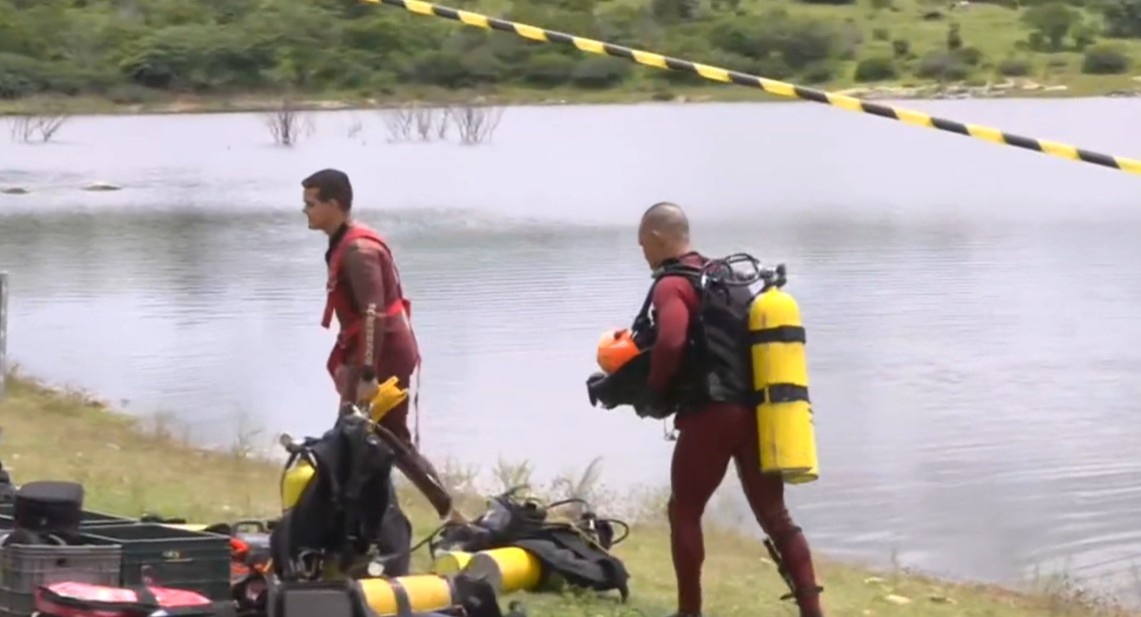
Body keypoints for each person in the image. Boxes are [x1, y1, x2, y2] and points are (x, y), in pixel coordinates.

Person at [636, 202, 825, 617]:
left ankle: (689, 612)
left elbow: (669, 342)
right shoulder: (725, 276)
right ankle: (814, 613)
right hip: (759, 412)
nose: (644, 256)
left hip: (711, 415)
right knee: (775, 516)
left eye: (643, 247)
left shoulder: (673, 284)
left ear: (656, 239)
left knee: (684, 510)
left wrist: (654, 388)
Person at [301, 168, 463, 524]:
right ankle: (430, 513)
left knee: (369, 438)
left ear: (333, 204)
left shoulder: (358, 250)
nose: (305, 211)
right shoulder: (343, 242)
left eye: (311, 203)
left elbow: (372, 313)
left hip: (382, 353)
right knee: (370, 439)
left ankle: (440, 514)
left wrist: (370, 374)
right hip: (370, 350)